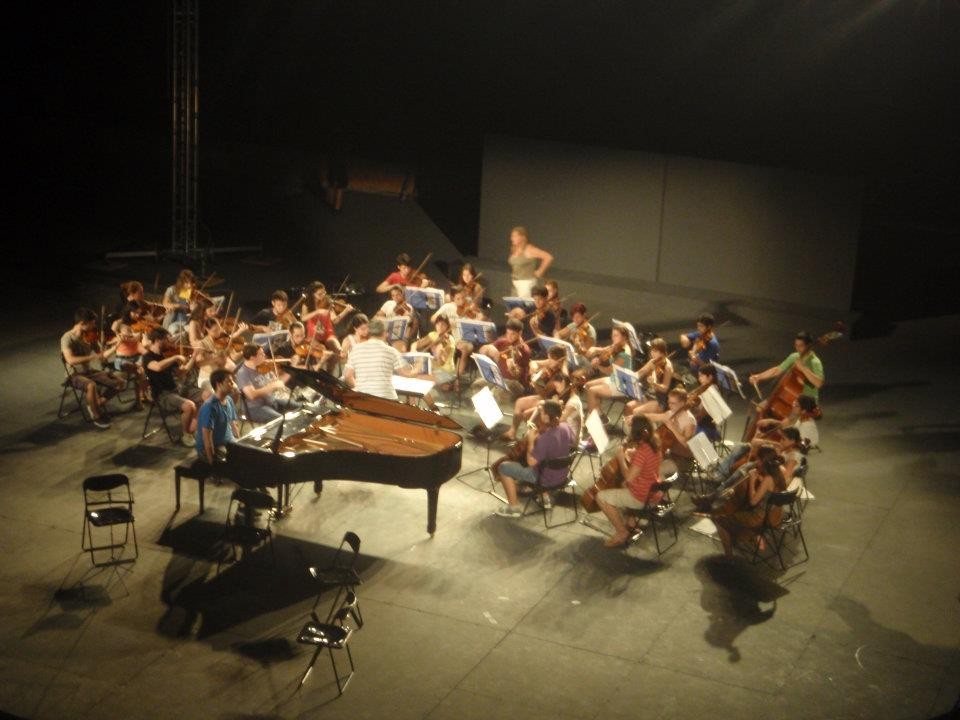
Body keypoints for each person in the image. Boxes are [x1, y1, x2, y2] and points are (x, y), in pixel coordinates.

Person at [494, 399, 576, 517]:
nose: (539, 414)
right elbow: (572, 442)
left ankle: (513, 508)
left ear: (546, 417)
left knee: (503, 467)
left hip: (545, 478)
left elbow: (531, 462)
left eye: (541, 412)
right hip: (563, 476)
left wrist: (531, 441)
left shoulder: (546, 437)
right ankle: (545, 497)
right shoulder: (566, 427)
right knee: (545, 459)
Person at [705, 445, 787, 558]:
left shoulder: (768, 479)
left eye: (758, 459)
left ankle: (729, 557)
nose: (756, 462)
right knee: (737, 511)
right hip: (775, 514)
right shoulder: (778, 474)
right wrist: (761, 481)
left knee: (718, 519)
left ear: (763, 461)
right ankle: (753, 536)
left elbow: (753, 501)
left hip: (759, 518)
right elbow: (770, 490)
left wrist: (752, 480)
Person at [594, 414, 662, 547]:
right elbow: (647, 463)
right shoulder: (655, 443)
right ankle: (632, 521)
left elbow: (628, 477)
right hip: (654, 490)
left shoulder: (642, 452)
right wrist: (633, 453)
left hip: (642, 496)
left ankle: (622, 533)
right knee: (622, 484)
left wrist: (621, 458)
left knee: (600, 497)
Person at [61, 307, 125, 429]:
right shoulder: (67, 338)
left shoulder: (90, 336)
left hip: (89, 372)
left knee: (120, 382)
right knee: (91, 385)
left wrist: (116, 346)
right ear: (82, 323)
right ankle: (96, 415)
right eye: (92, 323)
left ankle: (96, 403)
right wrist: (91, 357)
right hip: (74, 374)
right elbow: (70, 360)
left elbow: (102, 356)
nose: (94, 326)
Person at [143, 327, 200, 446]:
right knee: (189, 406)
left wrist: (194, 356)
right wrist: (175, 357)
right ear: (158, 340)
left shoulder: (165, 356)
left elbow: (181, 373)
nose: (170, 342)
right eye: (167, 340)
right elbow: (157, 367)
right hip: (162, 395)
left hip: (176, 389)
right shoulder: (147, 357)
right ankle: (186, 434)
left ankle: (193, 429)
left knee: (207, 396)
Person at [342, 318, 416, 401]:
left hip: (363, 399)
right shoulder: (391, 351)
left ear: (368, 332)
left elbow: (348, 376)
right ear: (385, 333)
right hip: (387, 399)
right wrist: (418, 367)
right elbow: (405, 374)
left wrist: (360, 389)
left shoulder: (355, 349)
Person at [749, 331, 825, 409]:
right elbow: (777, 370)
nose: (797, 348)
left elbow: (819, 383)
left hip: (808, 402)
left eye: (801, 346)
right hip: (792, 397)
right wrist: (758, 377)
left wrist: (803, 368)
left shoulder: (815, 362)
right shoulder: (794, 357)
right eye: (796, 345)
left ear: (808, 346)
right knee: (760, 408)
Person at [235, 343, 299, 423]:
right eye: (261, 354)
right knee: (282, 420)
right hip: (255, 408)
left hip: (271, 401)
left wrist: (293, 366)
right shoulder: (243, 373)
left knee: (300, 407)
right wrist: (271, 387)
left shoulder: (264, 367)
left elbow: (279, 382)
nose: (264, 356)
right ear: (252, 357)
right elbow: (252, 395)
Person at [299, 280, 353, 372]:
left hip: (327, 334)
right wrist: (317, 311)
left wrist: (346, 311)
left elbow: (335, 320)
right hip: (313, 335)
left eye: (324, 292)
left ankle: (329, 371)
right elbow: (303, 318)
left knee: (338, 350)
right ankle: (319, 371)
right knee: (321, 351)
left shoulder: (327, 303)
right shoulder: (307, 304)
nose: (323, 295)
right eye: (319, 294)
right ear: (313, 294)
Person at [195, 369, 240, 467]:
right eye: (229, 381)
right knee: (236, 463)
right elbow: (207, 439)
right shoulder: (209, 407)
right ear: (219, 384)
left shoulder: (228, 400)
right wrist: (212, 464)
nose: (233, 384)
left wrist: (240, 443)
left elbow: (233, 424)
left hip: (228, 442)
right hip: (214, 447)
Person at [477, 318, 531, 397]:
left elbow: (518, 376)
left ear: (520, 333)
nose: (509, 336)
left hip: (515, 383)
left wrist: (512, 368)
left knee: (495, 394)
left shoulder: (525, 350)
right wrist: (488, 348)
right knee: (477, 385)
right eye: (507, 333)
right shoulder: (503, 342)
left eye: (513, 334)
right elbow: (481, 351)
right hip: (499, 377)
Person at [624, 338, 674, 416]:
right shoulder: (653, 361)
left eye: (655, 351)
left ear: (662, 353)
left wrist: (653, 384)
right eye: (651, 350)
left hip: (660, 400)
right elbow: (640, 373)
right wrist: (627, 377)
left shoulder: (667, 367)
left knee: (636, 412)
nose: (652, 353)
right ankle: (630, 423)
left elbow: (665, 388)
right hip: (650, 395)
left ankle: (638, 423)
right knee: (628, 406)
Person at [414, 314, 458, 390]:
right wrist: (413, 351)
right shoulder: (433, 335)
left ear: (447, 326)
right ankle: (442, 384)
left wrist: (438, 352)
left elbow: (441, 362)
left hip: (446, 372)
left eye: (443, 324)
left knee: (417, 378)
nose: (440, 327)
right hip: (433, 368)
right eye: (438, 324)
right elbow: (415, 344)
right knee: (413, 371)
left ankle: (446, 382)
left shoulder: (450, 341)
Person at [508, 226, 553, 299]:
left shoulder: (529, 249)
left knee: (524, 305)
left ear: (523, 237)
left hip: (526, 283)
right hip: (515, 283)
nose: (512, 238)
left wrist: (540, 271)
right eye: (512, 236)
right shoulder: (514, 249)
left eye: (515, 236)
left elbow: (548, 257)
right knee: (514, 305)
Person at [558, 303, 596, 369]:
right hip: (573, 357)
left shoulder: (590, 330)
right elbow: (558, 334)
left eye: (577, 317)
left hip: (585, 361)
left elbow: (586, 352)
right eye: (573, 317)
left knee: (562, 364)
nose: (575, 320)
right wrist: (559, 343)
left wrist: (577, 343)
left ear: (584, 315)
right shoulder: (574, 325)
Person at [161, 269, 197, 334]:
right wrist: (179, 306)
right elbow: (165, 303)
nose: (189, 285)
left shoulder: (188, 292)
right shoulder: (171, 289)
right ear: (181, 282)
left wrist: (193, 307)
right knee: (171, 315)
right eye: (187, 283)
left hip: (184, 319)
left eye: (191, 283)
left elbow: (190, 309)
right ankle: (165, 333)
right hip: (172, 318)